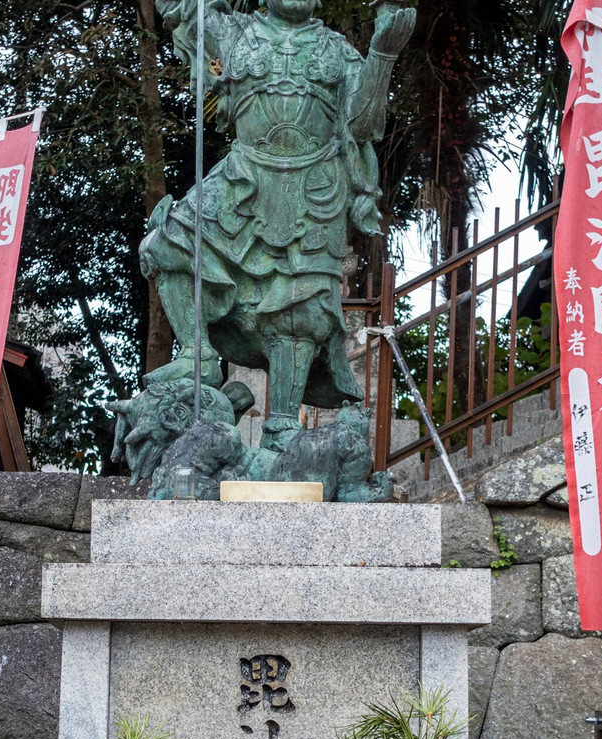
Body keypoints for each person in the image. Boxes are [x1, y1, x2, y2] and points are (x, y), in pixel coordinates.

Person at [140, 0, 415, 450]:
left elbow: (362, 126)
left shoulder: (337, 50)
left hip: (315, 186)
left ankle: (282, 425)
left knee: (301, 313)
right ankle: (197, 355)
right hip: (243, 179)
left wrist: (383, 54)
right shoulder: (233, 32)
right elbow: (182, 10)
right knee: (167, 242)